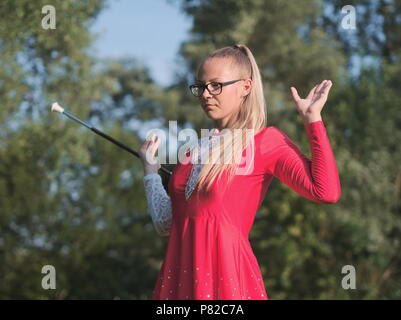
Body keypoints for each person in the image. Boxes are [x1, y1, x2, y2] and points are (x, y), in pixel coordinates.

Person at [138, 44, 341, 300]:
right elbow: (166, 221)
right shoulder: (192, 151)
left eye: (216, 85)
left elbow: (326, 192)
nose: (205, 94)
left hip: (229, 282)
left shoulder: (265, 141)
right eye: (200, 86)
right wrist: (149, 171)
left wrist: (313, 120)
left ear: (245, 87)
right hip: (179, 286)